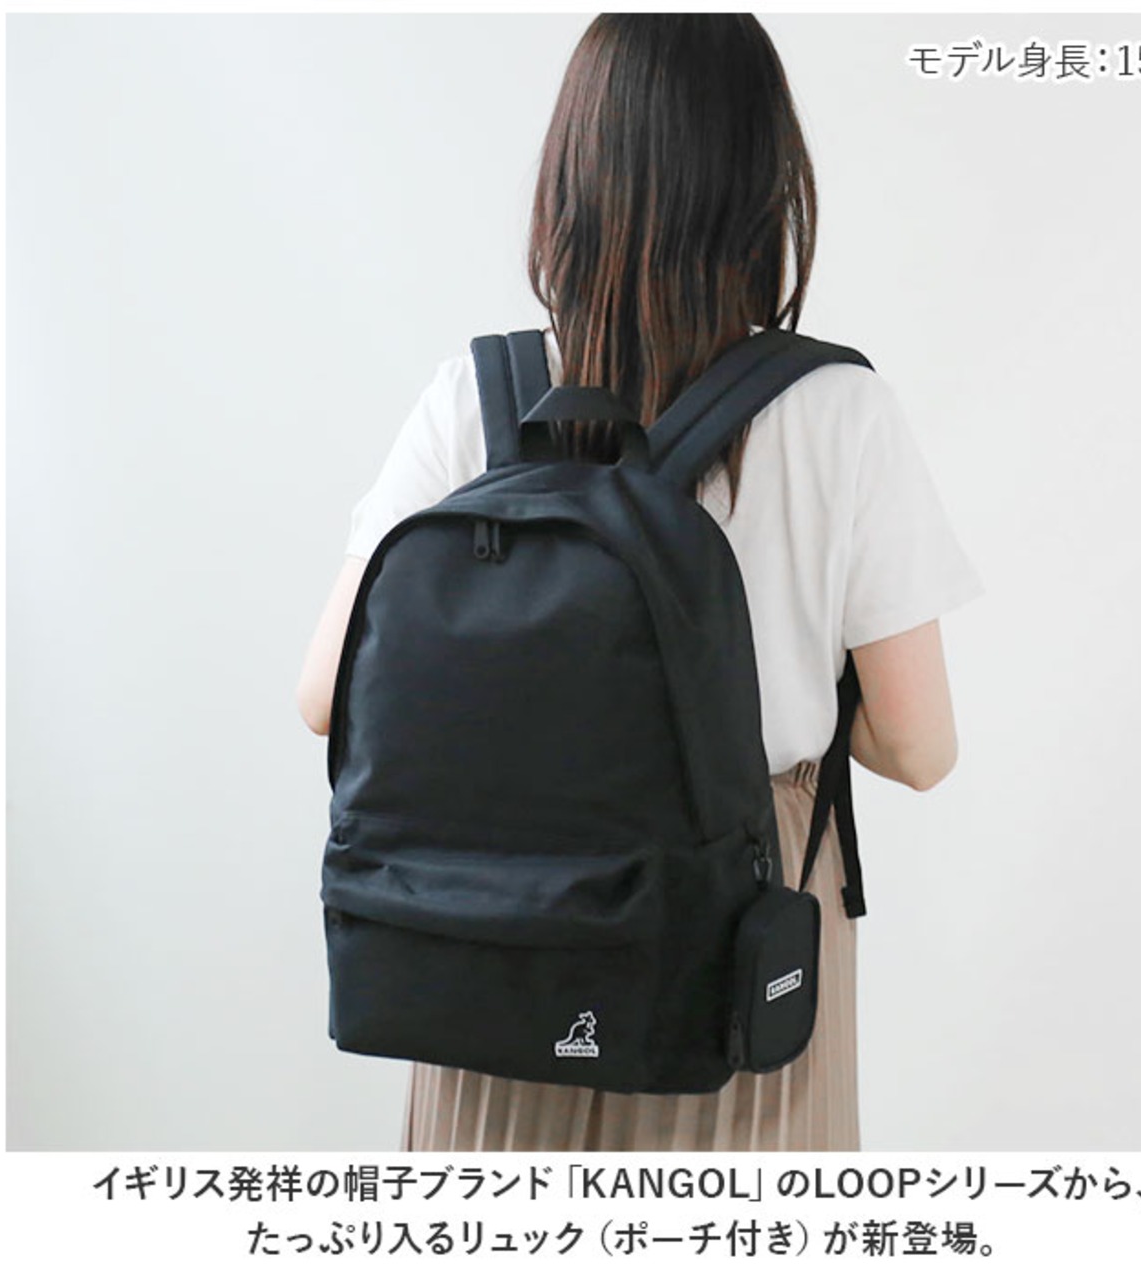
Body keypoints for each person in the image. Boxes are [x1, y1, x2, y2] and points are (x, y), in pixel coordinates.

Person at [297, 14, 982, 1151]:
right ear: (764, 185)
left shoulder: (477, 395)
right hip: (733, 914)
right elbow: (918, 747)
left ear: (569, 175)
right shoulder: (835, 411)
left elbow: (325, 696)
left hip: (493, 930)